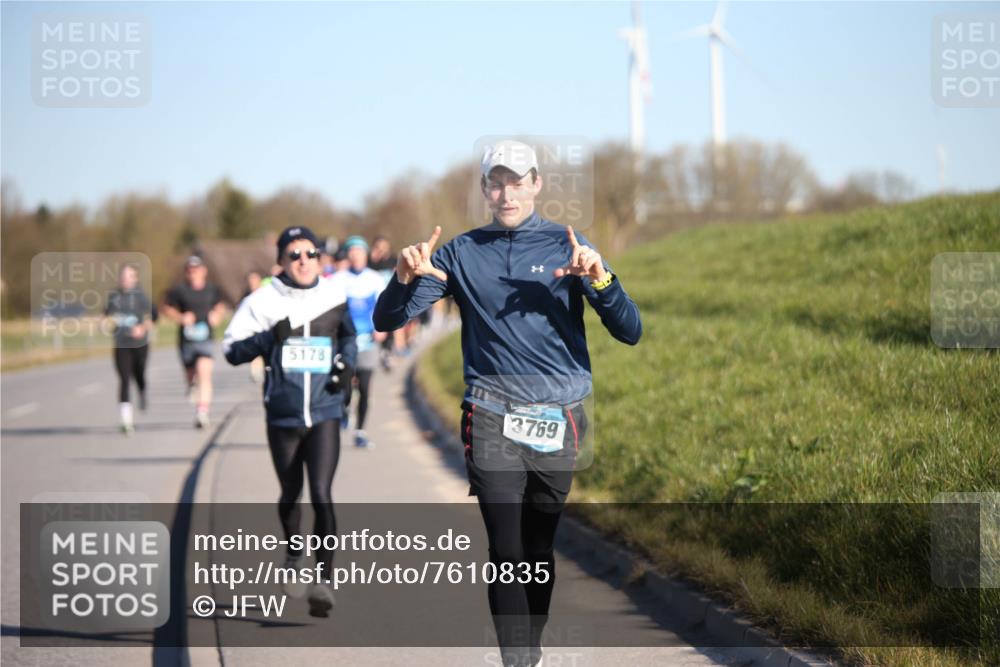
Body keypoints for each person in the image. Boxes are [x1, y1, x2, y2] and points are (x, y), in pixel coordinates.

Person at [373, 140, 642, 667]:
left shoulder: (569, 245)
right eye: (496, 183)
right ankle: (518, 660)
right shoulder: (460, 252)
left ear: (536, 185)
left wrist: (600, 281)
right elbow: (387, 320)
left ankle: (529, 649)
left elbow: (630, 331)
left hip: (559, 415)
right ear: (484, 189)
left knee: (537, 550)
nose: (507, 194)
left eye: (517, 182)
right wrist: (402, 278)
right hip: (490, 412)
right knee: (506, 549)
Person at [223, 225, 357, 618]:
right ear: (281, 260)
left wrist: (346, 367)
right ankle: (295, 552)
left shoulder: (334, 294)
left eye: (310, 253)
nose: (303, 260)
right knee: (290, 493)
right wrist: (268, 338)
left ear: (320, 258)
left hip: (325, 410)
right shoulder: (262, 301)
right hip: (283, 414)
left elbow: (349, 337)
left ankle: (324, 581)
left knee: (322, 493)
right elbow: (231, 350)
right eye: (294, 254)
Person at [334, 235, 387, 448]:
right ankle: (345, 409)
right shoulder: (338, 279)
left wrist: (382, 328)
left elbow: (384, 305)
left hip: (368, 340)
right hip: (346, 341)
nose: (356, 255)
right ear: (348, 255)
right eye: (352, 251)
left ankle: (360, 431)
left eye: (360, 251)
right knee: (345, 384)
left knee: (365, 387)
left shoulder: (375, 279)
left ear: (366, 255)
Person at [161, 255, 226, 429]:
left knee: (204, 373)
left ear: (204, 271)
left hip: (206, 338)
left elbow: (221, 305)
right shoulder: (179, 290)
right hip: (186, 340)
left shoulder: (212, 289)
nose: (193, 273)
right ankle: (191, 385)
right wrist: (181, 317)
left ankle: (202, 413)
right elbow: (166, 307)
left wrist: (217, 315)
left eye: (196, 270)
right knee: (191, 375)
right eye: (190, 270)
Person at [104, 263, 156, 434]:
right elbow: (106, 315)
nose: (125, 279)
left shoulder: (141, 296)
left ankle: (142, 390)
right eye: (123, 276)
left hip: (140, 344)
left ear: (135, 278)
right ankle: (126, 421)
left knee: (139, 374)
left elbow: (154, 316)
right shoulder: (114, 296)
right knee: (124, 379)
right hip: (121, 344)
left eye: (129, 276)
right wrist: (104, 323)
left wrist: (142, 328)